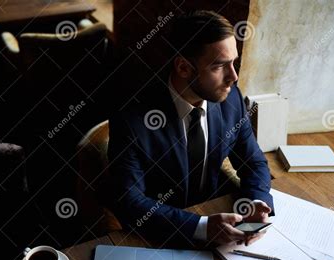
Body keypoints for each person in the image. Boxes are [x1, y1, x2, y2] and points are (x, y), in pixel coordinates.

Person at [108, 10, 274, 246]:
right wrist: (201, 227)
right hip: (158, 237)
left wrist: (257, 201)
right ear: (184, 68)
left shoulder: (232, 99)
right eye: (219, 66)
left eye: (234, 63)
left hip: (221, 229)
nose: (234, 77)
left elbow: (254, 161)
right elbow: (129, 201)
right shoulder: (132, 119)